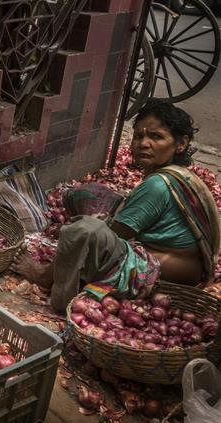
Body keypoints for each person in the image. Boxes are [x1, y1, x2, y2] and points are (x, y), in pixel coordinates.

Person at [13, 101, 220, 312]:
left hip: (160, 271)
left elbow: (108, 234)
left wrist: (72, 236)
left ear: (181, 143)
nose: (143, 143)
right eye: (139, 136)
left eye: (156, 137)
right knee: (87, 194)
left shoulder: (158, 185)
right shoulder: (177, 175)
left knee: (83, 231)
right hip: (177, 265)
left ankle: (46, 279)